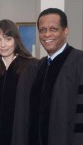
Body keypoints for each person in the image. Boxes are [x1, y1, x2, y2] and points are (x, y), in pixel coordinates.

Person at [27, 8, 83, 145]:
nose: (47, 34)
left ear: (65, 31)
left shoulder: (79, 62)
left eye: (53, 29)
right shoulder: (39, 66)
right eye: (42, 30)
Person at [0, 19, 37, 145]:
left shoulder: (30, 66)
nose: (3, 45)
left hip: (19, 134)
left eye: (8, 39)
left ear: (15, 40)